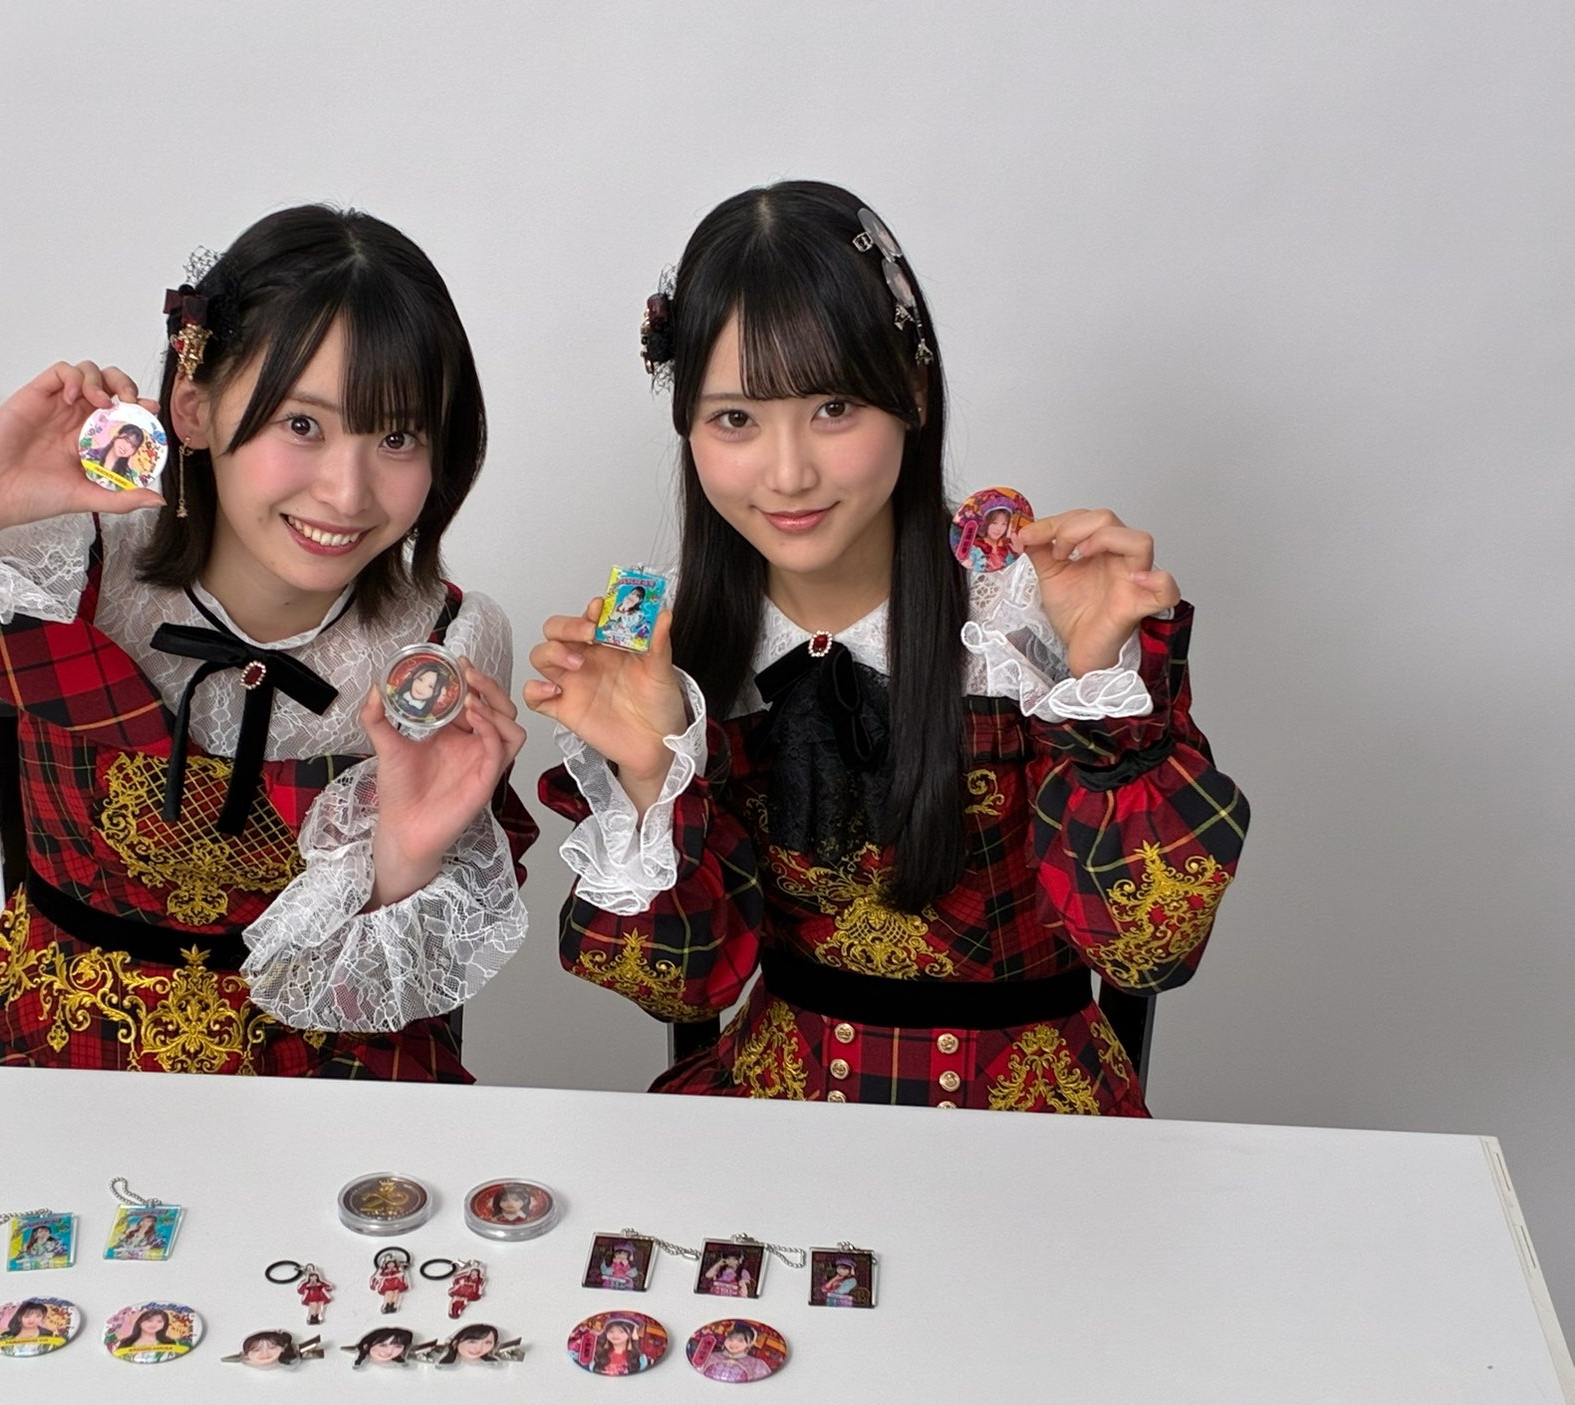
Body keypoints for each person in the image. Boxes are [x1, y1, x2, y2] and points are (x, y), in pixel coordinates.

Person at [0, 205, 536, 1078]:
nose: (347, 493)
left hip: (326, 1082)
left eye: (397, 436)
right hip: (49, 1059)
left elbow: (402, 993)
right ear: (193, 408)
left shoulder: (445, 647)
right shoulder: (63, 567)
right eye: (301, 425)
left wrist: (403, 865)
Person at [529, 180, 1250, 1111]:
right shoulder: (666, 646)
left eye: (834, 408)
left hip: (1033, 1121)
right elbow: (676, 988)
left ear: (911, 391)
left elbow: (1151, 948)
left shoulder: (1032, 608)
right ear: (688, 429)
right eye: (735, 419)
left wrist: (1099, 684)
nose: (789, 473)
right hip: (780, 1112)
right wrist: (644, 776)